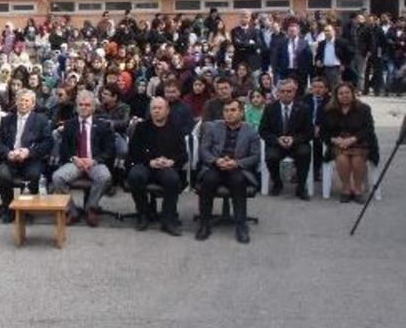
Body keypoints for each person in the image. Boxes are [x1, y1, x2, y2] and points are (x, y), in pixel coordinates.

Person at [195, 98, 260, 244]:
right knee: (208, 180)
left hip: (237, 168)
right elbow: (204, 150)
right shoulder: (212, 128)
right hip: (215, 166)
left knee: (238, 181)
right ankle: (204, 224)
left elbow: (255, 156)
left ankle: (241, 226)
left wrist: (237, 163)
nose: (229, 113)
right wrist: (216, 160)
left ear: (241, 113)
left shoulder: (251, 131)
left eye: (233, 110)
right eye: (226, 110)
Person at [51, 90, 116, 227]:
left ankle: (91, 208)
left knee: (105, 176)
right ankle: (72, 211)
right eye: (81, 104)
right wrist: (74, 158)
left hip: (94, 162)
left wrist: (94, 160)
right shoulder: (70, 124)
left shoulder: (103, 126)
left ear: (93, 107)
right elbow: (64, 149)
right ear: (76, 106)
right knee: (57, 178)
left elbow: (109, 150)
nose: (84, 107)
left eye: (87, 105)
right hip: (75, 162)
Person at [125, 97, 187, 235]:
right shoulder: (141, 127)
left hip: (166, 165)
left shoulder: (175, 129)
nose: (156, 111)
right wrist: (150, 161)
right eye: (154, 108)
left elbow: (183, 154)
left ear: (167, 110)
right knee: (135, 175)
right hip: (146, 164)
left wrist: (172, 161)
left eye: (160, 108)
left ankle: (168, 219)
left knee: (172, 179)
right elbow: (133, 151)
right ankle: (143, 213)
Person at [0, 89, 53, 223]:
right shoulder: (6, 120)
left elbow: (48, 143)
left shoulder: (41, 120)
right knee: (0, 175)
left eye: (27, 101)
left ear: (33, 104)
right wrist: (8, 153)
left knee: (33, 175)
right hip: (11, 158)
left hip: (31, 159)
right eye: (21, 100)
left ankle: (27, 209)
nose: (23, 103)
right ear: (16, 102)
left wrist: (28, 152)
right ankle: (9, 206)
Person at [322, 83, 378, 203]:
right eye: (341, 93)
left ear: (353, 94)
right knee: (342, 158)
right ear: (336, 96)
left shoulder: (364, 109)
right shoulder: (329, 110)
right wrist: (334, 139)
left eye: (347, 92)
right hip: (338, 143)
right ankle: (346, 188)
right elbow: (323, 131)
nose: (344, 95)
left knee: (357, 158)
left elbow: (369, 129)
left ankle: (357, 189)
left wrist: (353, 139)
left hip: (360, 141)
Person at [258, 78, 313, 199]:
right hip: (277, 143)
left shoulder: (304, 108)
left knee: (305, 152)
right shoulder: (270, 108)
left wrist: (294, 140)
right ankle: (277, 183)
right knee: (271, 156)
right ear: (277, 92)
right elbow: (263, 131)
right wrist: (277, 140)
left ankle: (301, 187)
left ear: (294, 92)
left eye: (289, 91)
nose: (285, 94)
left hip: (297, 143)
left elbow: (309, 132)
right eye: (282, 91)